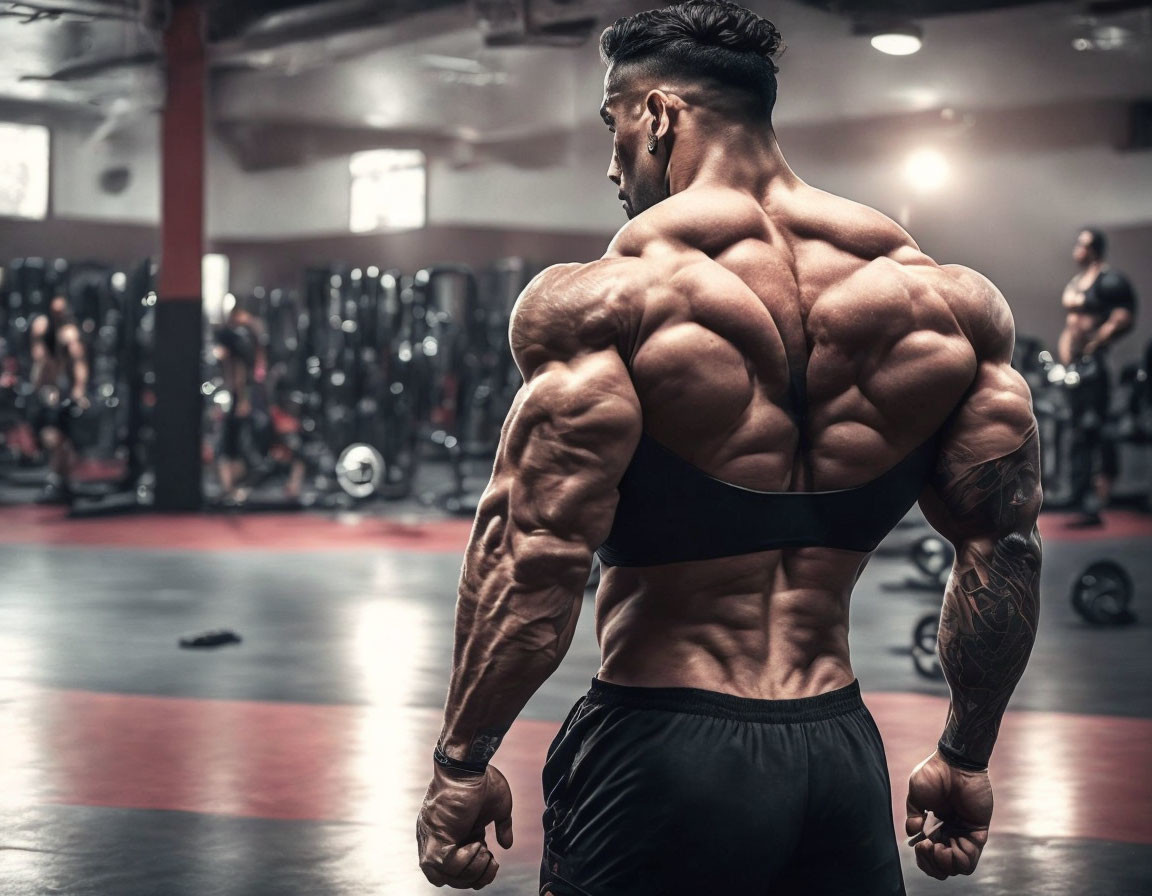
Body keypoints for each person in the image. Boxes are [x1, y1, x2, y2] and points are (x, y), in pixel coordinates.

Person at [416, 2, 1042, 893]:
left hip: (661, 753)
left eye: (614, 127)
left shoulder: (611, 302)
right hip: (839, 757)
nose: (612, 165)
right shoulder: (945, 304)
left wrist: (461, 764)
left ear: (659, 116)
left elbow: (531, 555)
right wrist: (964, 756)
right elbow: (1004, 548)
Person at [1058, 228, 1137, 526]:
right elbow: (1071, 325)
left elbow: (1122, 319)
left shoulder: (1110, 281)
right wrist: (1067, 356)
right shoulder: (1077, 283)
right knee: (1078, 432)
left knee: (1096, 431)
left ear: (1094, 248)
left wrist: (1095, 344)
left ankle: (1095, 503)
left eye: (1082, 243)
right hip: (1076, 368)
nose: (1077, 248)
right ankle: (1079, 499)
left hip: (1096, 368)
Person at [28, 294, 89, 504]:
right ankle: (57, 477)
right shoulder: (41, 326)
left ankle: (61, 478)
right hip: (45, 388)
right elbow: (39, 358)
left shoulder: (69, 334)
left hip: (62, 390)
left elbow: (79, 362)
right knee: (50, 436)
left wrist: (79, 390)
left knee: (62, 438)